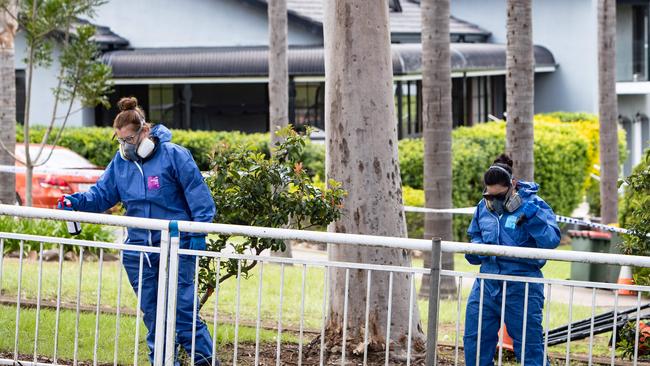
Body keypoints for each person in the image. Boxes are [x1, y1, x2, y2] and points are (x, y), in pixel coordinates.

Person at [59, 97, 217, 366]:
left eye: (129, 140)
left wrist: (198, 235)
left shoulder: (174, 155)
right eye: (120, 141)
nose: (126, 146)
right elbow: (101, 195)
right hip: (140, 252)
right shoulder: (120, 163)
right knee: (154, 317)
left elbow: (200, 199)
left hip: (177, 247)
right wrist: (77, 201)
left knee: (183, 315)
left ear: (145, 132)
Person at [464, 154, 560, 366]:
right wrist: (477, 248)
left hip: (522, 286)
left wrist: (533, 220)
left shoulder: (534, 204)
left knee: (529, 346)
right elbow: (476, 234)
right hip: (487, 285)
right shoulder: (483, 206)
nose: (494, 202)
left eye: (499, 196)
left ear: (512, 185)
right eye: (490, 196)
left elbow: (552, 240)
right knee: (475, 341)